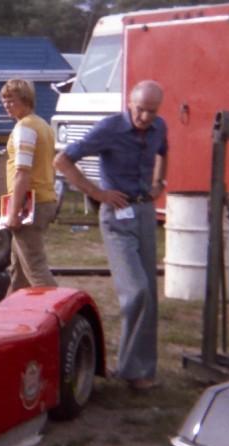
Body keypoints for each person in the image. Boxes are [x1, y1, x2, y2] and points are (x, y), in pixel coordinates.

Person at [54, 80, 168, 390]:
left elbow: (163, 152)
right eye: (141, 110)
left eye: (152, 111)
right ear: (130, 104)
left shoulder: (160, 127)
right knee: (137, 290)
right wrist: (97, 193)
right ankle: (128, 367)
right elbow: (62, 160)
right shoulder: (110, 128)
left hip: (144, 213)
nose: (145, 117)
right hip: (116, 216)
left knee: (150, 297)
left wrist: (160, 183)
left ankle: (140, 371)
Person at [0, 79, 58, 293]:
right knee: (19, 269)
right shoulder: (42, 125)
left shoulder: (24, 128)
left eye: (11, 100)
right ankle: (10, 315)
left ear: (25, 100)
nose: (6, 105)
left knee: (35, 268)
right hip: (45, 199)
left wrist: (13, 213)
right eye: (4, 100)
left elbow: (22, 172)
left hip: (29, 203)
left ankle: (60, 316)